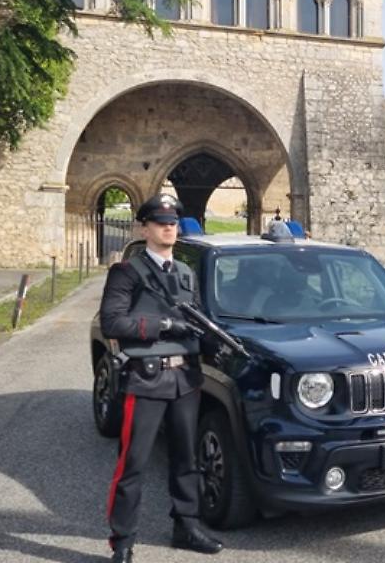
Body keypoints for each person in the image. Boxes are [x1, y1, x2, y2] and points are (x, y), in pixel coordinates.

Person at [99, 193, 223, 563]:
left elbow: (199, 320)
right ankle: (122, 541)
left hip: (185, 378)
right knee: (132, 464)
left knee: (186, 459)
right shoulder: (127, 272)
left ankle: (186, 526)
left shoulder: (185, 273)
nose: (168, 228)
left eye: (172, 223)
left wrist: (213, 339)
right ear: (145, 227)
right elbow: (112, 322)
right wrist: (163, 324)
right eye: (159, 222)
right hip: (146, 379)